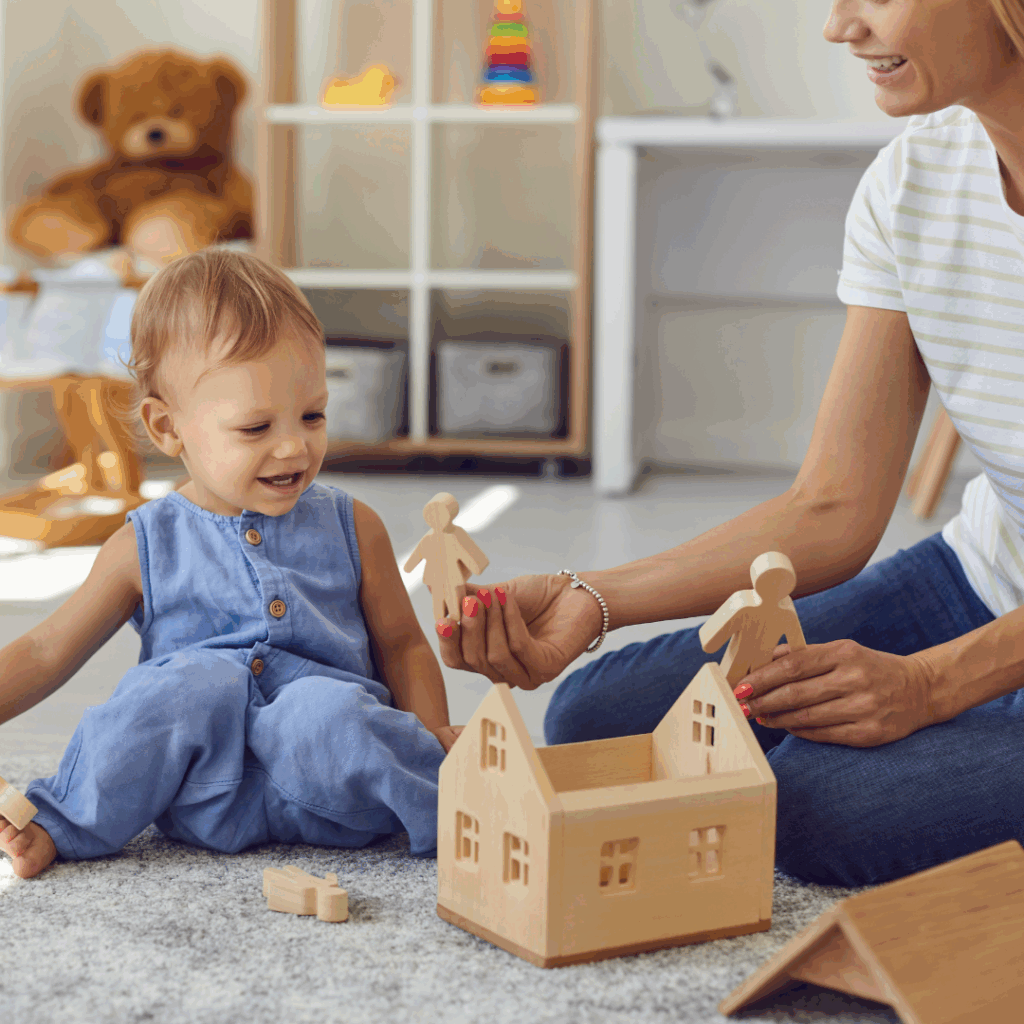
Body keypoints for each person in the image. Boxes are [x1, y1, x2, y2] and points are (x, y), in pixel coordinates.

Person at [435, 0, 1024, 889]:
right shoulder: (915, 181)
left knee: (820, 805)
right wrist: (594, 599)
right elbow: (831, 507)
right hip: (982, 580)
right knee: (604, 717)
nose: (840, 27)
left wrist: (935, 687)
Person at [0, 250, 459, 879]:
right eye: (255, 427)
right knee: (177, 689)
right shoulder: (144, 543)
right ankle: (66, 822)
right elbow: (49, 648)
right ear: (168, 428)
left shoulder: (355, 526)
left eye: (313, 415)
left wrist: (430, 735)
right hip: (200, 795)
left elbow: (403, 646)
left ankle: (456, 808)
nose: (294, 445)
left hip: (334, 785)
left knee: (326, 709)